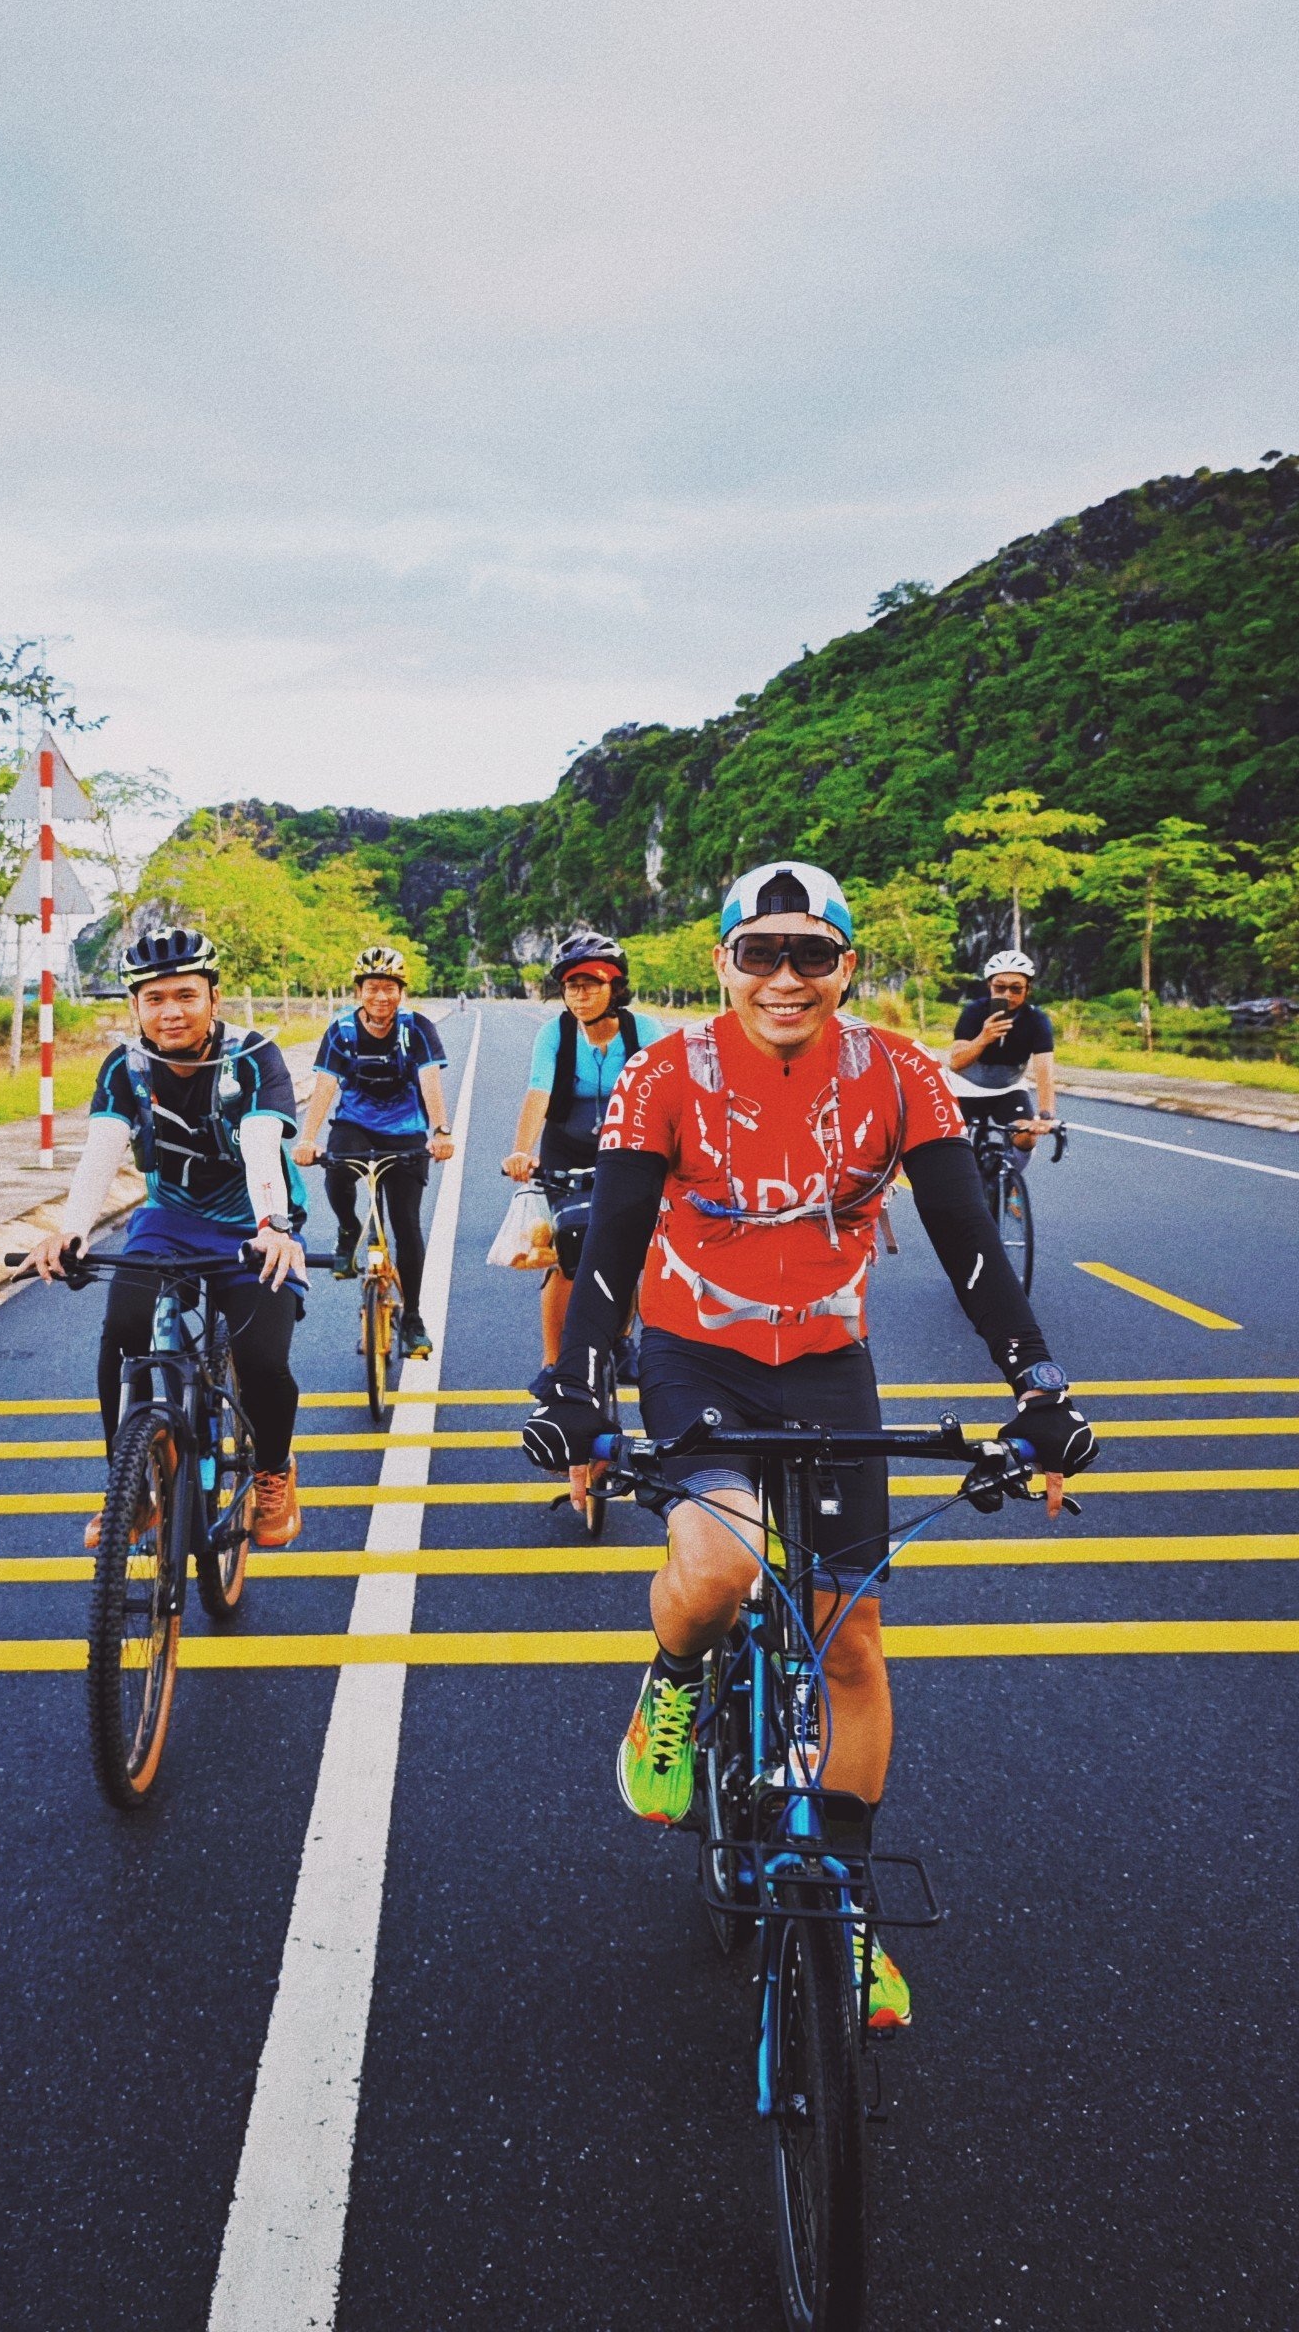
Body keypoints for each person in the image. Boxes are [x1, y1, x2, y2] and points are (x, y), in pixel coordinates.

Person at [522, 860, 1096, 2031]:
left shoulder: (897, 1075)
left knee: (850, 1638)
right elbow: (612, 1251)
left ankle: (841, 1905)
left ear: (846, 965)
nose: (784, 978)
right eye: (759, 953)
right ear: (722, 960)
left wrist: (1038, 1387)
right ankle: (673, 1682)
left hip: (828, 1365)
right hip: (696, 1356)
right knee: (724, 1566)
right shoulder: (659, 1072)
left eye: (811, 955)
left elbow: (966, 1243)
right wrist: (576, 1389)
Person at [25, 927, 311, 1548]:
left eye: (185, 994)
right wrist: (69, 1232)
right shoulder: (127, 1066)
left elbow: (263, 1146)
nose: (171, 1011)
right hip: (170, 1221)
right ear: (136, 1008)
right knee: (123, 1331)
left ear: (214, 997)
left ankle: (272, 1472)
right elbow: (102, 1152)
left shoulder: (252, 1057)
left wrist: (273, 1228)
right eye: (154, 999)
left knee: (263, 1359)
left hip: (255, 1222)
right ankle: (128, 1490)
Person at [503, 930, 669, 1369]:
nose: (580, 995)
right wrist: (521, 1151)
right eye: (571, 986)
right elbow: (538, 1091)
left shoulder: (645, 1031)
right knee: (565, 1250)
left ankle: (622, 1339)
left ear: (615, 987)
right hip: (565, 1147)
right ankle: (553, 1362)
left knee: (626, 1245)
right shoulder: (554, 1035)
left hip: (627, 1147)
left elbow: (668, 1097)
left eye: (591, 984)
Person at [294, 946, 453, 1360]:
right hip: (357, 1124)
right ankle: (349, 1228)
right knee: (338, 1168)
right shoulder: (342, 1029)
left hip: (405, 1130)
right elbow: (325, 1085)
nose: (380, 997)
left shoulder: (415, 1028)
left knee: (406, 1225)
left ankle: (413, 1318)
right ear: (358, 991)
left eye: (389, 988)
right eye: (371, 988)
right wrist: (307, 1139)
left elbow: (430, 1079)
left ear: (401, 991)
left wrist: (440, 1131)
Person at [945, 950, 1060, 1159]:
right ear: (990, 986)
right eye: (1000, 987)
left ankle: (1010, 1184)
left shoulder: (1036, 1020)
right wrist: (983, 1038)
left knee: (1027, 1136)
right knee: (950, 1146)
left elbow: (1045, 1072)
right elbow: (956, 1062)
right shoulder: (974, 1012)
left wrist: (1045, 1116)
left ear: (1028, 990)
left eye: (1016, 989)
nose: (1007, 994)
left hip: (1008, 1088)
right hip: (966, 1087)